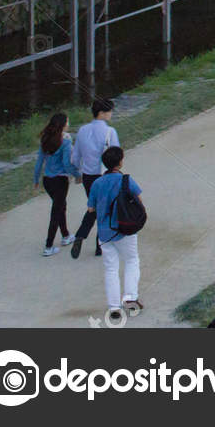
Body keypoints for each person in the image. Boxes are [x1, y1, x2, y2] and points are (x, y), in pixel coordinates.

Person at [84, 145, 142, 321]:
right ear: (120, 162)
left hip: (104, 232)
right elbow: (139, 200)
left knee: (111, 268)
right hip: (124, 229)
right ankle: (131, 298)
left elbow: (91, 207)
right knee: (132, 260)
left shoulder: (97, 183)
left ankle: (114, 306)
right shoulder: (126, 180)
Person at [68, 98, 118, 258]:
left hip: (88, 176)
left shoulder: (82, 130)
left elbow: (75, 157)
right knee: (106, 209)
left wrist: (78, 171)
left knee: (94, 206)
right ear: (102, 113)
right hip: (105, 175)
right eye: (109, 111)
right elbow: (116, 155)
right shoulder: (110, 132)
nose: (111, 114)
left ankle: (81, 235)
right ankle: (100, 245)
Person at [33, 111, 77, 256]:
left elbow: (39, 162)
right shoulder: (65, 141)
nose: (69, 124)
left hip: (48, 180)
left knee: (60, 206)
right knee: (57, 210)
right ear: (63, 125)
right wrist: (77, 175)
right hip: (60, 180)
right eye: (67, 122)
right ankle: (48, 246)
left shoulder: (46, 139)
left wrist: (35, 179)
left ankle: (65, 235)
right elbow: (67, 164)